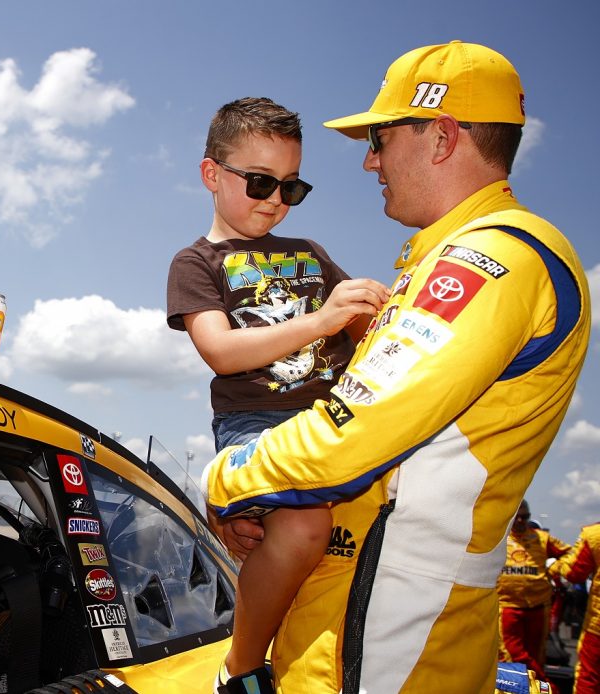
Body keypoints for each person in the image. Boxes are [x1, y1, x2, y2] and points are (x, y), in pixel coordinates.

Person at [201, 40, 590, 693]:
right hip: (357, 636)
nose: (368, 160)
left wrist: (228, 479)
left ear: (440, 137)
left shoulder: (494, 257)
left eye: (381, 139)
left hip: (385, 652)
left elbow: (349, 434)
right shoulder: (446, 261)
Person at [166, 96, 389, 693]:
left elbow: (370, 334)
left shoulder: (312, 255)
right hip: (256, 425)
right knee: (305, 527)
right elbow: (221, 351)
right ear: (212, 174)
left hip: (334, 421)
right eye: (260, 182)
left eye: (291, 188)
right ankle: (240, 668)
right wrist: (322, 321)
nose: (274, 200)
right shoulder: (196, 262)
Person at [498, 500, 570, 686]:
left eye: (526, 517)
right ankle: (540, 687)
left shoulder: (542, 539)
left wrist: (555, 567)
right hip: (508, 607)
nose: (521, 521)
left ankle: (537, 687)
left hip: (538, 608)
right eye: (518, 517)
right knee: (512, 655)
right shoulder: (499, 537)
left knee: (536, 656)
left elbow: (571, 554)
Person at [550, 522, 600, 693]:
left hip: (597, 627)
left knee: (589, 677)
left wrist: (554, 566)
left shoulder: (594, 534)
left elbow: (574, 573)